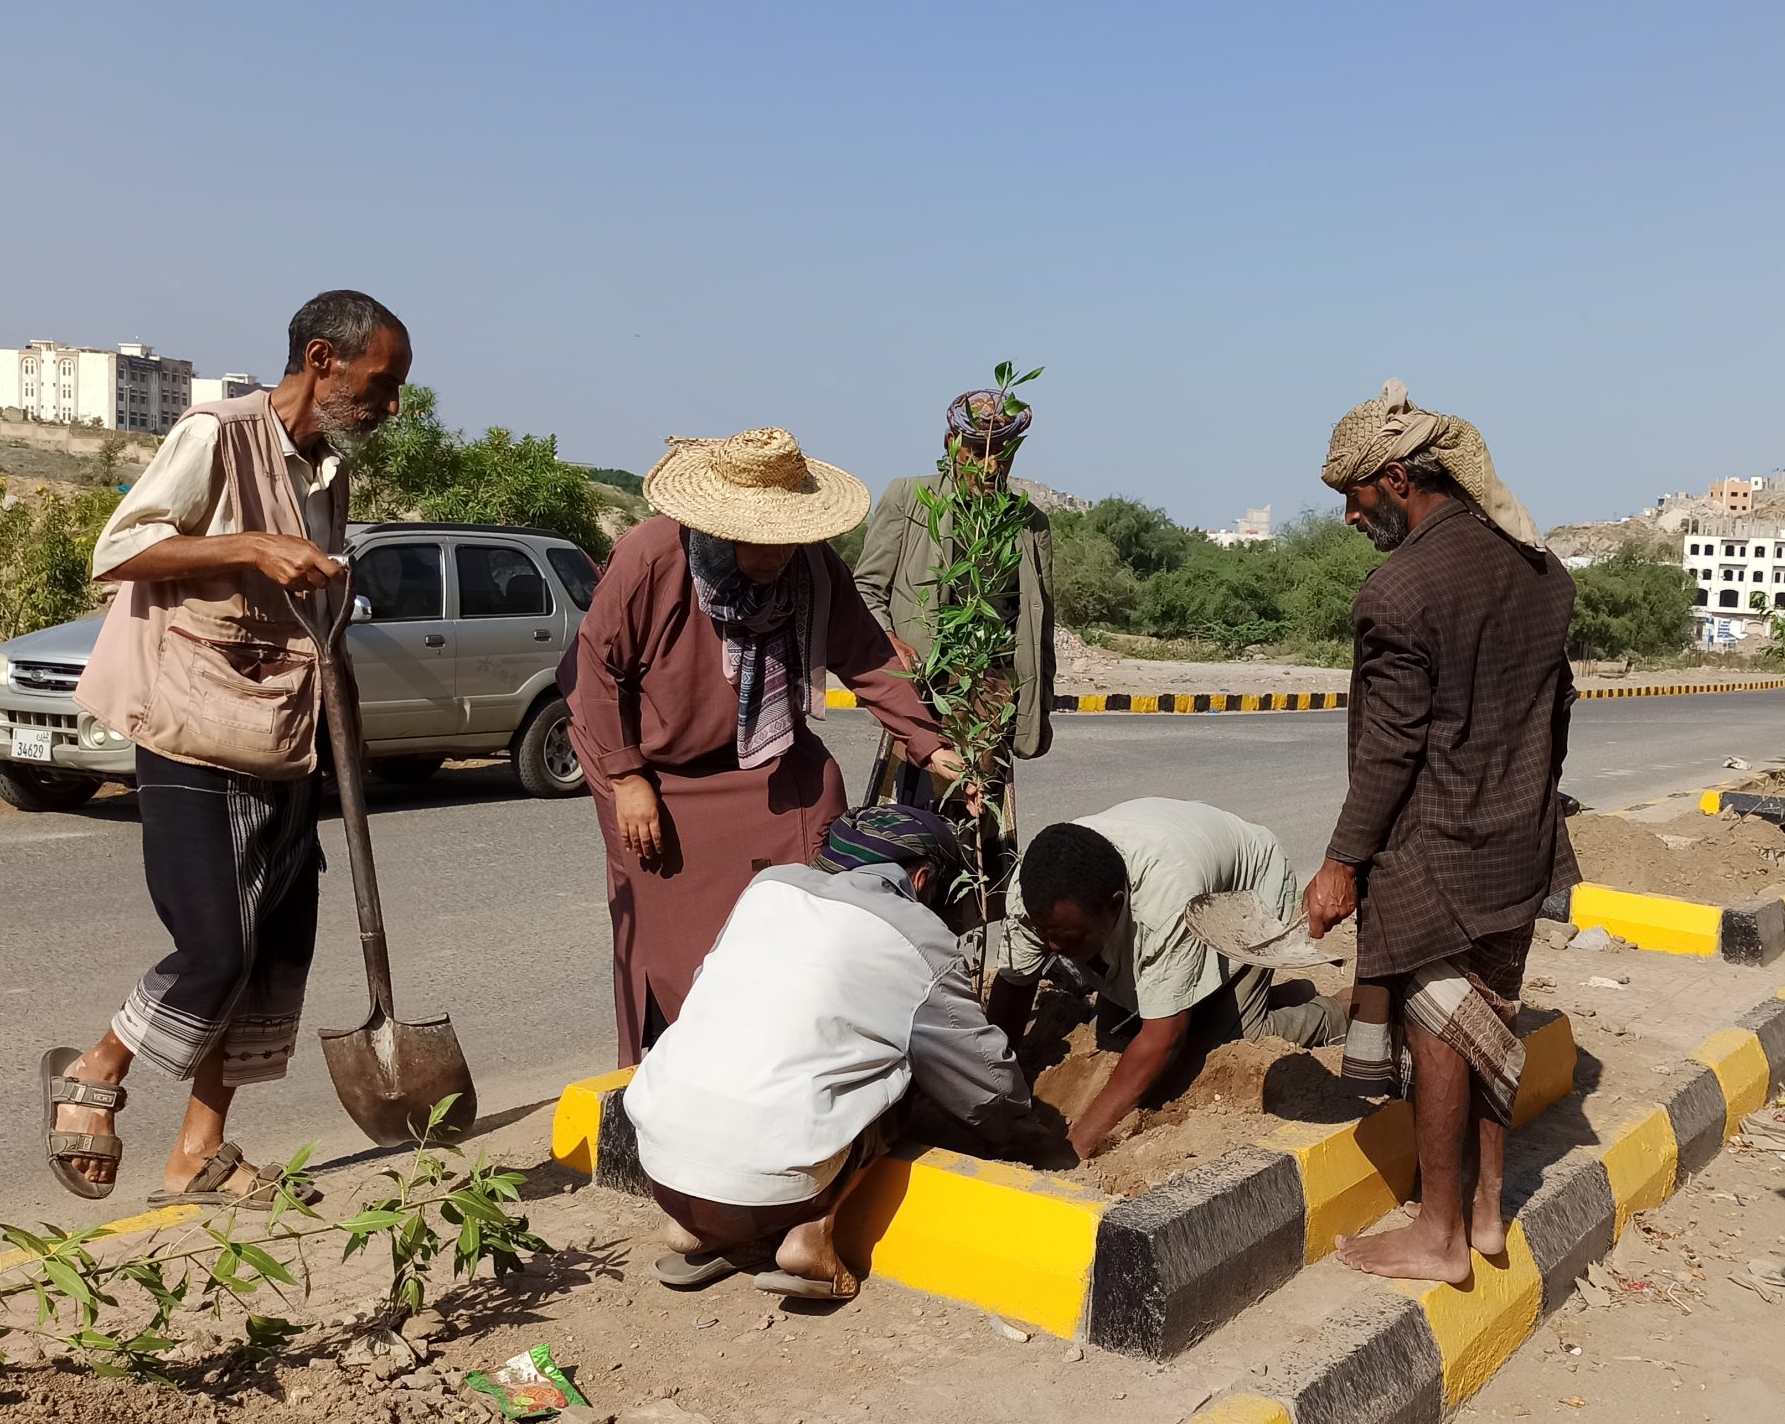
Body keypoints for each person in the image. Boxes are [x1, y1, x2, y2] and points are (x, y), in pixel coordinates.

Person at [40, 290, 412, 1206]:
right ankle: (93, 1069)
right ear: (322, 358)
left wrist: (346, 736)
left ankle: (197, 1153)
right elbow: (119, 548)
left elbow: (311, 614)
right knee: (214, 945)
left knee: (276, 953)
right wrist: (250, 545)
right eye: (382, 382)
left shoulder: (328, 472)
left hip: (289, 738)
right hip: (197, 730)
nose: (392, 404)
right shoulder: (216, 432)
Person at [562, 428, 967, 1066]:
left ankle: (798, 1044)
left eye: (793, 535)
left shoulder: (809, 565)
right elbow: (596, 671)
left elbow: (865, 654)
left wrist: (927, 741)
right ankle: (678, 1069)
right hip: (654, 772)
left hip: (769, 758)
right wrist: (626, 779)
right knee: (671, 945)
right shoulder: (651, 558)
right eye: (768, 537)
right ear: (723, 526)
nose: (784, 552)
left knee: (813, 849)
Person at [1300, 379, 1576, 1285]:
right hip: (1519, 839)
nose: (1347, 516)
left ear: (1398, 477)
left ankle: (1440, 1230)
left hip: (1435, 853)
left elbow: (1388, 754)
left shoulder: (1399, 591)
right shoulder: (1544, 570)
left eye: (1353, 494)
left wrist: (1342, 863)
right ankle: (1490, 1210)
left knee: (1440, 1030)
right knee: (1492, 1013)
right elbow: (1556, 713)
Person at [626, 804, 1033, 1301]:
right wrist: (1017, 1130)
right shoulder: (915, 933)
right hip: (768, 1179)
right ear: (923, 878)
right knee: (898, 1071)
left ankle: (698, 1231)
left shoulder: (767, 889)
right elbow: (983, 1083)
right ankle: (810, 1237)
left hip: (659, 1162)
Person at [988, 798, 1345, 1160]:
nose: (1051, 946)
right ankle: (1269, 996)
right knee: (1117, 1037)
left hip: (1241, 895)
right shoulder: (1037, 894)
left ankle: (1332, 1013)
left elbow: (1165, 1037)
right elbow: (1015, 985)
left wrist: (1074, 1146)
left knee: (1217, 1045)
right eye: (1045, 932)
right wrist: (992, 1080)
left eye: (1068, 936)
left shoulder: (1165, 902)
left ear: (1114, 906)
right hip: (1172, 878)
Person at [852, 387, 1057, 886]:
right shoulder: (908, 499)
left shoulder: (1030, 524)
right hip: (919, 696)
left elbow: (1039, 623)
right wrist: (890, 641)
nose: (990, 466)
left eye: (1001, 453)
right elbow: (866, 589)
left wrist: (1036, 708)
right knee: (907, 827)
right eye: (977, 451)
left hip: (989, 701)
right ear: (951, 444)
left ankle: (970, 940)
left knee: (980, 840)